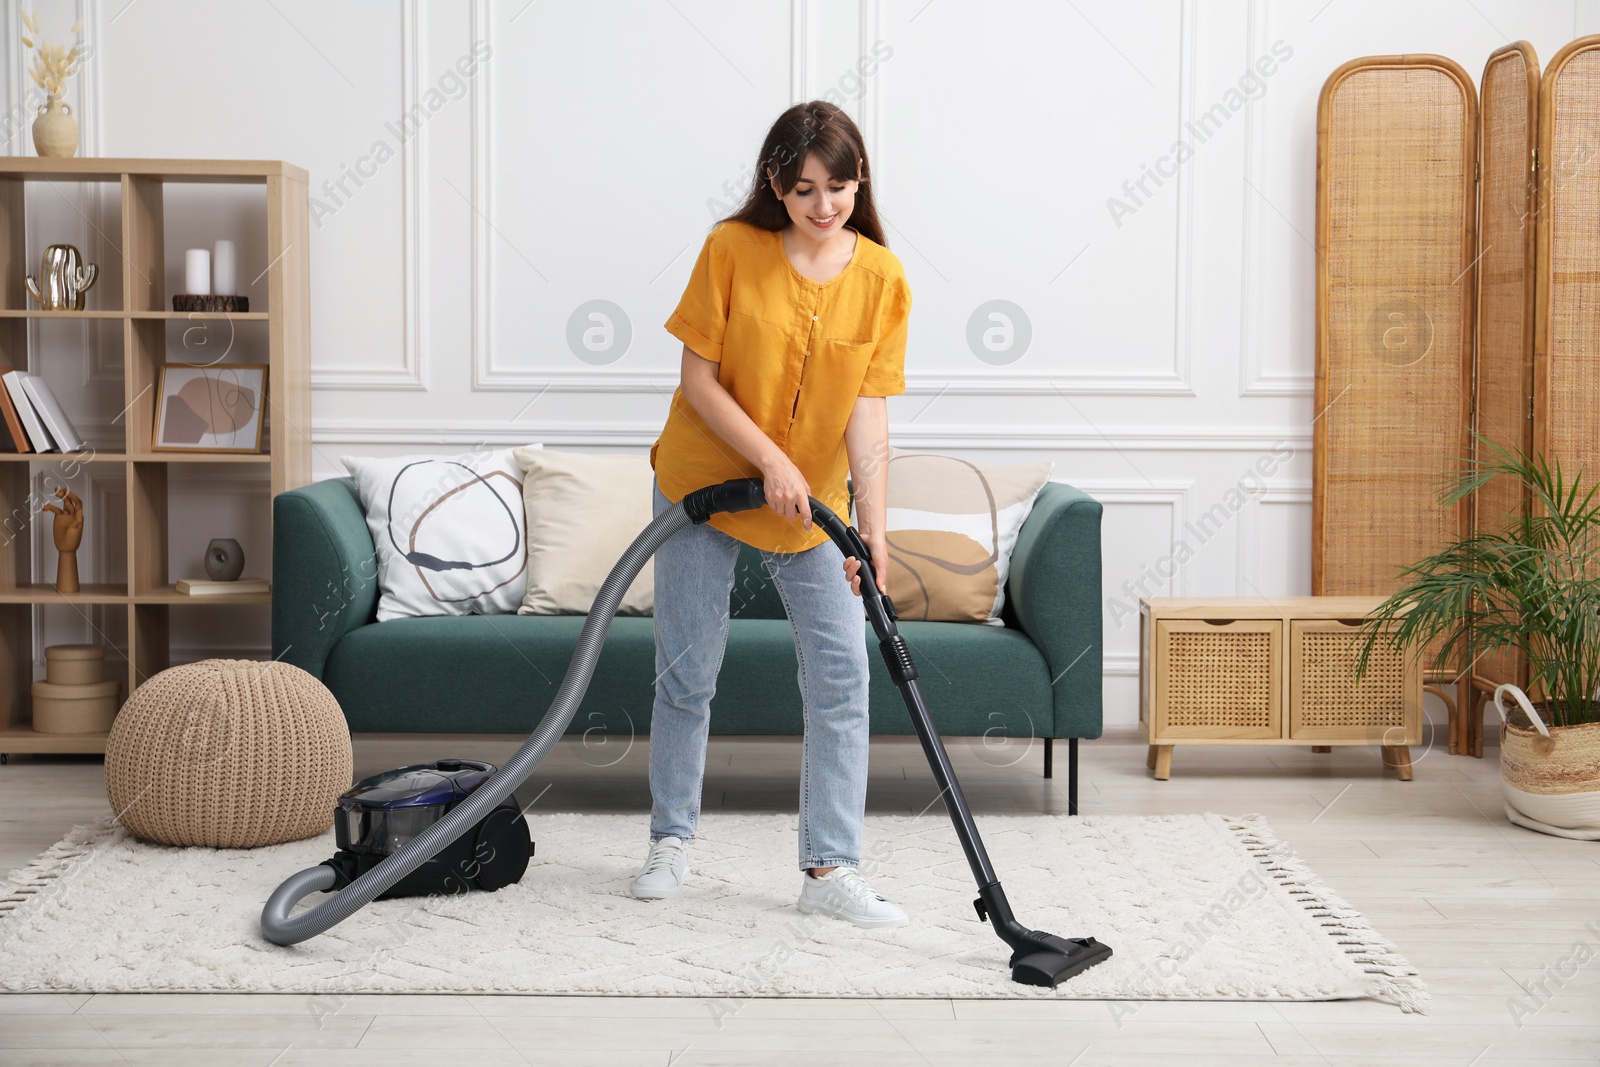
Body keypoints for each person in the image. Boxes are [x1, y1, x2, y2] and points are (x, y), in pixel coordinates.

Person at [634, 101, 912, 929]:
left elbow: (868, 413)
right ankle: (670, 840)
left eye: (840, 186)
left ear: (861, 179)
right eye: (805, 189)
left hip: (812, 507)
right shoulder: (732, 250)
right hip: (705, 485)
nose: (824, 206)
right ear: (776, 187)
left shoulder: (884, 279)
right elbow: (699, 379)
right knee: (688, 670)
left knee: (842, 677)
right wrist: (772, 459)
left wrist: (874, 527)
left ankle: (828, 869)